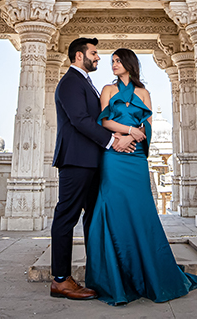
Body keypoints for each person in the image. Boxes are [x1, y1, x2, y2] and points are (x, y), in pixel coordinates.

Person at [85, 48, 197, 305]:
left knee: (141, 210)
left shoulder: (143, 93)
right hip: (114, 155)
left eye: (118, 61)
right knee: (112, 208)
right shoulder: (108, 89)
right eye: (112, 61)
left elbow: (146, 125)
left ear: (129, 64)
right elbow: (103, 121)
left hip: (135, 156)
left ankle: (149, 273)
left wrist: (133, 135)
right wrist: (125, 133)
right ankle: (115, 279)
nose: (114, 65)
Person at [50, 38, 135, 300]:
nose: (98, 57)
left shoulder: (85, 81)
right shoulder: (70, 83)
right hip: (75, 160)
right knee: (66, 216)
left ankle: (97, 273)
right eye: (94, 53)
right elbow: (80, 120)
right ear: (79, 56)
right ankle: (61, 280)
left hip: (91, 160)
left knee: (94, 218)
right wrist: (114, 142)